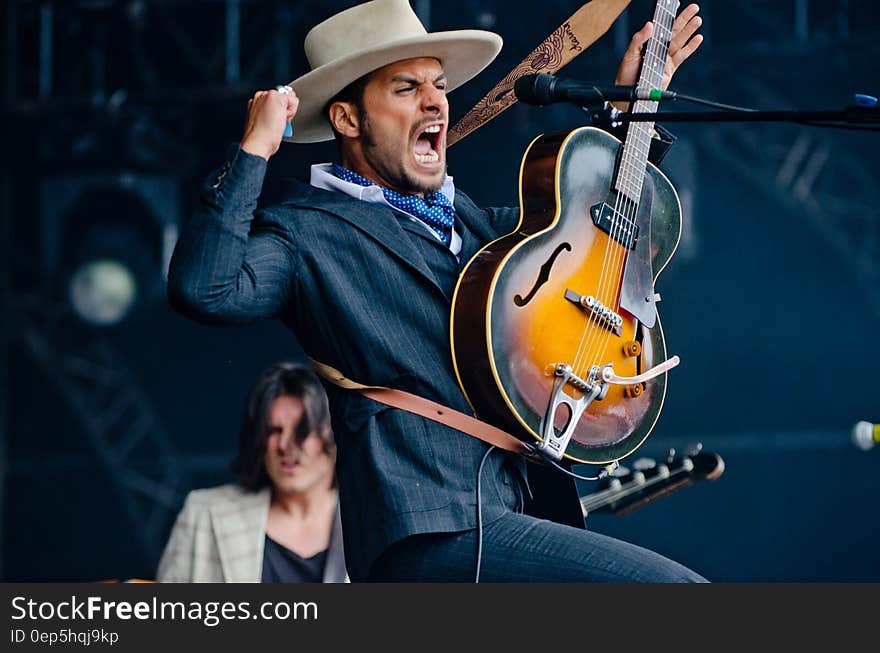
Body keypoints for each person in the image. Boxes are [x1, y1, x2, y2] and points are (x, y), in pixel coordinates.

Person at [167, 0, 706, 582]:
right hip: (429, 525)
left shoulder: (472, 224)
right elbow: (206, 289)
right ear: (348, 120)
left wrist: (630, 116)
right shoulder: (307, 231)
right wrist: (254, 151)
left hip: (514, 507)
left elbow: (589, 231)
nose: (434, 102)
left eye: (439, 85)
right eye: (405, 88)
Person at [156, 362, 347, 583]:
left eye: (301, 431)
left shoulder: (372, 516)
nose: (285, 445)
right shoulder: (204, 512)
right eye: (273, 431)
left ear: (333, 436)